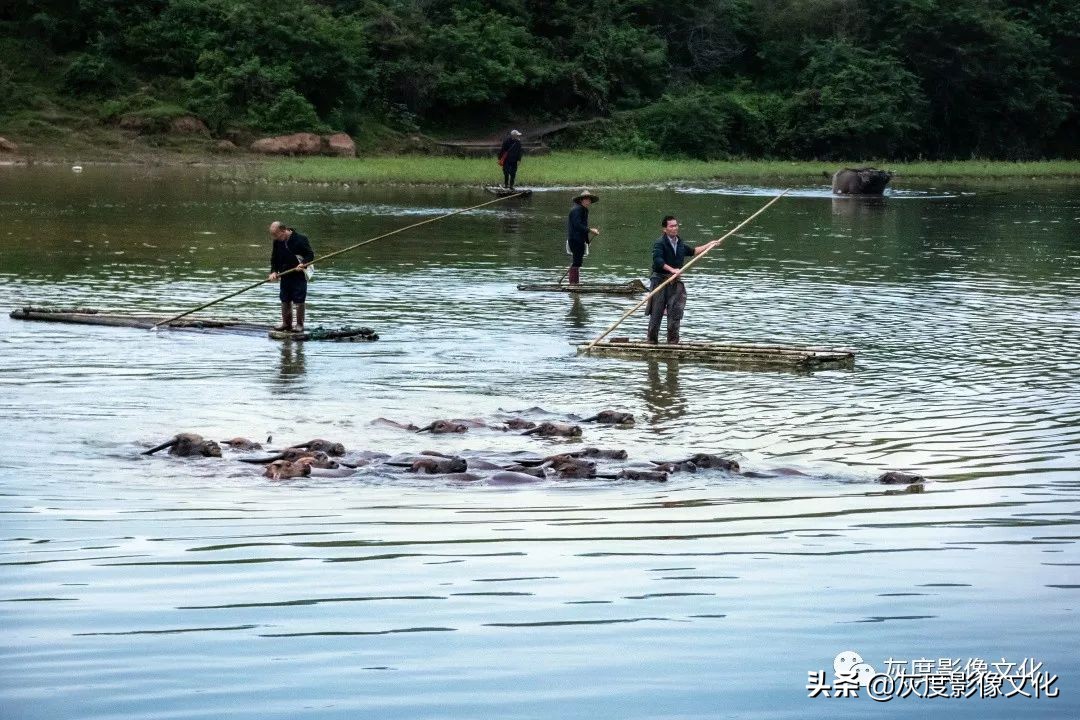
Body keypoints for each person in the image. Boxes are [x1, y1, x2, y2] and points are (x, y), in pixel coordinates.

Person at [646, 215, 719, 344]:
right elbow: (658, 261)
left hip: (675, 283)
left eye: (676, 225)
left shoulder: (679, 243)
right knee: (656, 313)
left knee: (675, 313)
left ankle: (673, 344)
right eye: (671, 226)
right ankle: (652, 342)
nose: (675, 228)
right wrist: (672, 270)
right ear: (665, 229)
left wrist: (710, 245)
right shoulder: (660, 243)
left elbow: (693, 251)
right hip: (660, 281)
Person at [267, 221, 315, 332]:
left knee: (299, 298)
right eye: (273, 235)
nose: (275, 238)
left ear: (284, 230)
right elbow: (274, 258)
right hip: (284, 273)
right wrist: (273, 272)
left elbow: (310, 254)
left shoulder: (300, 239)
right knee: (285, 298)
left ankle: (299, 325)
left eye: (276, 235)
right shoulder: (277, 242)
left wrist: (303, 264)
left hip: (299, 274)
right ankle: (286, 323)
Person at [565, 189, 600, 285]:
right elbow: (578, 225)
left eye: (589, 200)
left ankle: (574, 283)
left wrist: (587, 241)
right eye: (586, 199)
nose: (588, 201)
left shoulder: (584, 210)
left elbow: (583, 227)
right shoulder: (577, 210)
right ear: (581, 200)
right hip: (575, 239)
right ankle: (573, 284)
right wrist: (590, 230)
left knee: (578, 261)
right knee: (576, 262)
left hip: (579, 240)